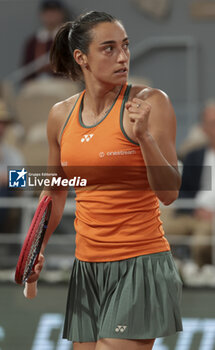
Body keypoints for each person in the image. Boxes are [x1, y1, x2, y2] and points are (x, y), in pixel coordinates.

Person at [26, 11, 182, 350]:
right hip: (87, 269)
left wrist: (145, 138)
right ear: (81, 58)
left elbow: (169, 192)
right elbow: (54, 192)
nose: (123, 56)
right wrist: (37, 247)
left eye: (125, 46)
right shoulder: (60, 115)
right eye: (108, 48)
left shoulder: (151, 103)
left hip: (138, 264)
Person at [162, 100, 215, 267]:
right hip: (193, 212)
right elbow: (182, 190)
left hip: (211, 219)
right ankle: (172, 273)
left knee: (202, 241)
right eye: (212, 124)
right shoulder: (194, 156)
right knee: (159, 233)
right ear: (203, 127)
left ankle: (202, 277)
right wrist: (195, 210)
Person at [21, 0, 70, 81]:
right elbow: (26, 71)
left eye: (54, 12)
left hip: (62, 82)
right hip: (37, 83)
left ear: (61, 14)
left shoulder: (68, 38)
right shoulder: (33, 42)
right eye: (47, 13)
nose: (50, 16)